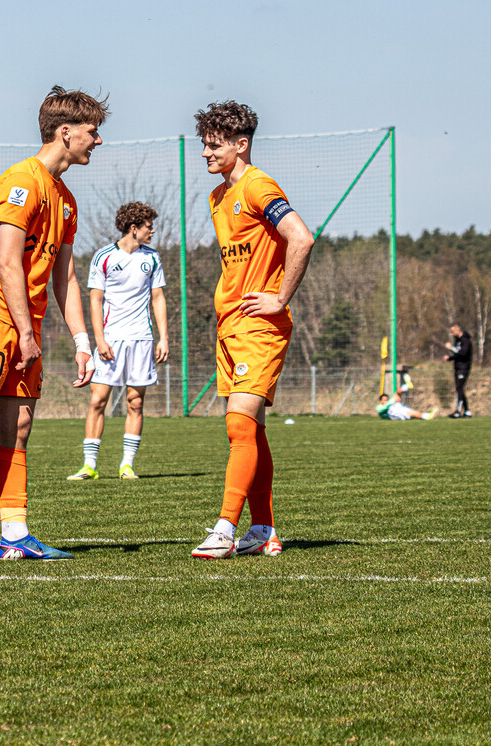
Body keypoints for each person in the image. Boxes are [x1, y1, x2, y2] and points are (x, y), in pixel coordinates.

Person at [0, 85, 107, 562]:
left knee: (20, 425)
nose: (98, 141)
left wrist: (81, 341)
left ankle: (15, 533)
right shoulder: (22, 181)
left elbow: (66, 276)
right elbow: (9, 263)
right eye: (93, 132)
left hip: (24, 325)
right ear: (64, 131)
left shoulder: (67, 200)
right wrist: (26, 334)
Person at [190, 100, 315, 560]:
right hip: (230, 325)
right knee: (251, 430)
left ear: (241, 145)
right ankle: (263, 529)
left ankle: (225, 528)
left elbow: (301, 237)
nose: (205, 153)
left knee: (239, 422)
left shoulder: (259, 185)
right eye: (203, 144)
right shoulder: (218, 196)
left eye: (214, 145)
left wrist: (280, 298)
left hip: (260, 327)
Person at [68, 202, 168, 481]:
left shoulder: (153, 258)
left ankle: (127, 465)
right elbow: (95, 299)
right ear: (134, 228)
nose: (153, 230)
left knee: (135, 403)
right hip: (110, 340)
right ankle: (89, 465)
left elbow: (158, 297)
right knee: (98, 400)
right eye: (149, 226)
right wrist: (98, 339)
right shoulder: (103, 257)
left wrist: (163, 338)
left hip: (142, 339)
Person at [443, 323, 473, 418]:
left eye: (452, 332)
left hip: (464, 368)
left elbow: (463, 353)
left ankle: (458, 411)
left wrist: (451, 348)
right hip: (458, 367)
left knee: (459, 388)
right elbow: (457, 354)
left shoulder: (465, 340)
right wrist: (450, 358)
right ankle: (467, 411)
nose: (451, 334)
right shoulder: (458, 340)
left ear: (457, 330)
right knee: (459, 389)